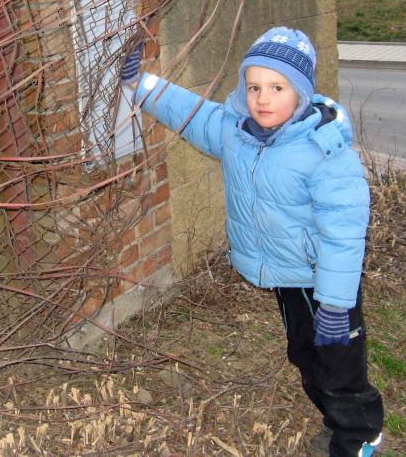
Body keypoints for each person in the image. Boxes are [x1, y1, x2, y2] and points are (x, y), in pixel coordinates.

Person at [120, 27, 384, 457]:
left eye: (277, 88)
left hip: (327, 284)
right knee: (304, 355)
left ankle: (359, 437)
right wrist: (139, 83)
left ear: (300, 92)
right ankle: (334, 417)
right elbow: (187, 111)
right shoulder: (237, 133)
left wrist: (336, 303)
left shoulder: (324, 151)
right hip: (288, 277)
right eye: (254, 86)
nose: (263, 98)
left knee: (339, 366)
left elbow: (345, 234)